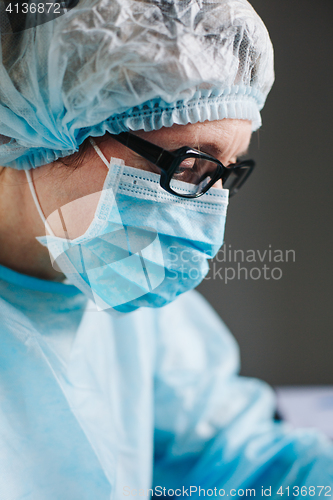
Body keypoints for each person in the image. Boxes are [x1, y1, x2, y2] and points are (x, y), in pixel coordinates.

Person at [0, 0, 332, 498]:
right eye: (188, 163)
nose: (211, 214)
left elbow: (239, 464)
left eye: (227, 173)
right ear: (42, 128)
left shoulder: (133, 298)